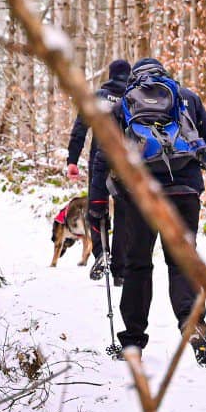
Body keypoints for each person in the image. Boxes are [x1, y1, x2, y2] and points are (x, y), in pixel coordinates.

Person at [111, 58, 206, 366]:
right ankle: (193, 326)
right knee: (182, 261)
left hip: (141, 194)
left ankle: (133, 341)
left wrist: (105, 193)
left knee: (137, 265)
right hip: (184, 192)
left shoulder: (125, 103)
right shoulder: (187, 98)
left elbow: (108, 152)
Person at [66, 58, 131, 282]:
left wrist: (72, 160)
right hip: (127, 163)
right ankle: (120, 271)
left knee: (97, 209)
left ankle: (102, 253)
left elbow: (79, 130)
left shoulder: (98, 98)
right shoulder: (133, 98)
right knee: (124, 212)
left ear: (110, 75)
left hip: (99, 161)